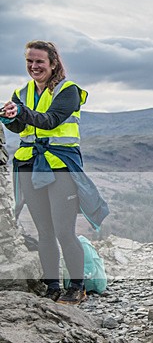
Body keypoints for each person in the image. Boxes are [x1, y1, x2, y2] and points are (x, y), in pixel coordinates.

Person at [2, 40, 108, 305]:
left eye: (39, 61)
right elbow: (20, 127)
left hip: (59, 165)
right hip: (29, 165)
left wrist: (22, 112)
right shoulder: (22, 91)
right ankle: (51, 286)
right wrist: (9, 118)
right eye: (29, 61)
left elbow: (50, 121)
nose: (34, 66)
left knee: (64, 231)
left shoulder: (68, 91)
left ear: (53, 63)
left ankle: (76, 287)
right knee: (44, 231)